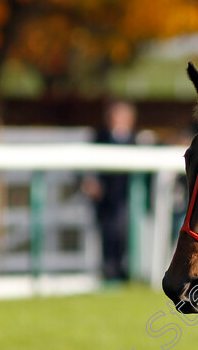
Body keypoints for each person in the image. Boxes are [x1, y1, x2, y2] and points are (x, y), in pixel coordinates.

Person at [81, 100, 138, 281]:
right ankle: (110, 274)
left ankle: (127, 273)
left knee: (128, 237)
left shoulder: (138, 140)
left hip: (130, 200)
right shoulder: (98, 137)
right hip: (105, 201)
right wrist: (89, 181)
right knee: (108, 236)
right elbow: (83, 166)